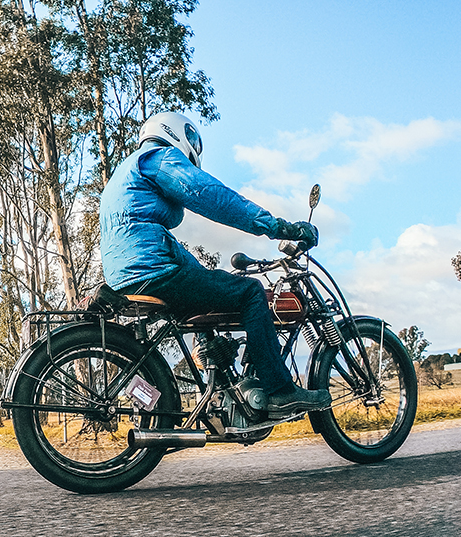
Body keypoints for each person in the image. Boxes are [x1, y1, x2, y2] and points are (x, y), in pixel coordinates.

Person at [98, 111, 331, 416]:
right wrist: (277, 227)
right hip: (152, 271)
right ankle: (279, 390)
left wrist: (207, 274)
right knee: (250, 292)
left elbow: (162, 244)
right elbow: (211, 196)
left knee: (208, 300)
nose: (193, 147)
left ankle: (221, 390)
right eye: (191, 138)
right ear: (176, 133)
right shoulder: (158, 158)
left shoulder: (126, 170)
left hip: (129, 273)